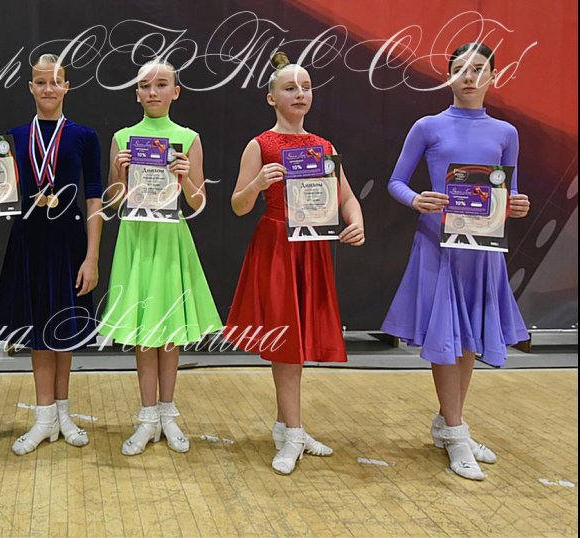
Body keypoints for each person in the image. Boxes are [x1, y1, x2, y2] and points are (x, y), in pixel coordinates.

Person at [382, 42, 530, 481]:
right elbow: (396, 182)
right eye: (460, 68)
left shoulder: (506, 133)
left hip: (482, 250)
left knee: (469, 339)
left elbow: (507, 191)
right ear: (448, 76)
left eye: (479, 68)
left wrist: (517, 205)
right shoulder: (428, 126)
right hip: (439, 245)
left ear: (493, 76)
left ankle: (452, 425)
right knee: (447, 337)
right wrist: (417, 200)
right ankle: (455, 432)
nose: (469, 76)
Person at [223, 51, 365, 474]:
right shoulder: (261, 145)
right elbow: (237, 206)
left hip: (312, 249)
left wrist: (356, 221)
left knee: (297, 344)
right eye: (290, 88)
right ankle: (294, 432)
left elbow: (347, 197)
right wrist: (256, 184)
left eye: (305, 87)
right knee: (286, 344)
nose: (300, 93)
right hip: (277, 249)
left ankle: (287, 427)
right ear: (272, 98)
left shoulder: (324, 147)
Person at [0, 54, 103, 455]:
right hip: (29, 240)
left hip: (70, 241)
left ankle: (63, 414)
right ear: (30, 87)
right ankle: (44, 418)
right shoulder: (13, 138)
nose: (48, 88)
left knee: (63, 330)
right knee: (39, 333)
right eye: (41, 82)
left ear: (67, 86)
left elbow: (95, 198)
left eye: (56, 81)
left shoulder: (84, 136)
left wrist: (92, 256)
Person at [99, 59, 222, 456]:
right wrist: (119, 173)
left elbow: (199, 203)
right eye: (145, 85)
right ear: (136, 93)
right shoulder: (123, 137)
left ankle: (168, 414)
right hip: (136, 239)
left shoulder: (188, 138)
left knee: (168, 330)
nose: (153, 92)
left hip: (170, 239)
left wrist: (186, 178)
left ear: (176, 92)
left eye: (162, 84)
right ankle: (147, 417)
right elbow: (112, 202)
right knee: (143, 330)